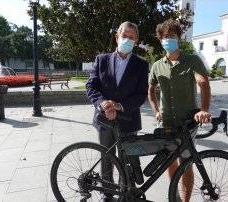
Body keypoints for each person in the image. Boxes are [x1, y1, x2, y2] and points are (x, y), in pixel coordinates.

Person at [148, 19, 212, 202]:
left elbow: (203, 83)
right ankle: (174, 196)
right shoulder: (157, 65)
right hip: (166, 121)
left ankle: (185, 200)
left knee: (186, 162)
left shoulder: (192, 60)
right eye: (165, 37)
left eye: (173, 36)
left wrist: (204, 109)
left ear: (179, 37)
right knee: (170, 161)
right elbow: (150, 91)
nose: (169, 40)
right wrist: (156, 111)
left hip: (188, 123)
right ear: (161, 40)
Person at [86, 21, 148, 202]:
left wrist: (119, 106)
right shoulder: (102, 59)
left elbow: (141, 94)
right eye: (124, 35)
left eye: (131, 37)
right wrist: (104, 104)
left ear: (136, 40)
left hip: (128, 120)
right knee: (107, 158)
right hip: (104, 119)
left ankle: (126, 195)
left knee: (127, 160)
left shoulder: (141, 65)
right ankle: (107, 194)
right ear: (117, 37)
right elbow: (92, 86)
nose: (127, 39)